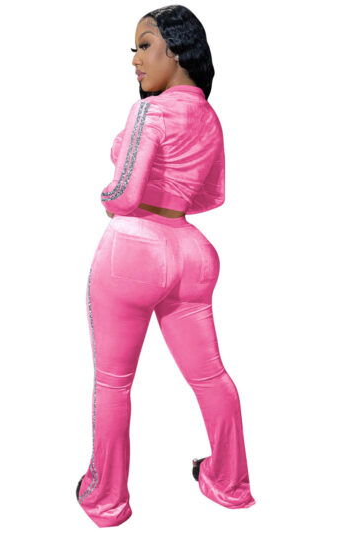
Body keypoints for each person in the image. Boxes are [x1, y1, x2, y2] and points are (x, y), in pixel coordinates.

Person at [76, 5, 256, 527]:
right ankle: (229, 483)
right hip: (191, 253)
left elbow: (123, 194)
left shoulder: (149, 113)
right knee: (211, 376)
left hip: (134, 252)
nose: (134, 60)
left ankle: (106, 499)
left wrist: (107, 197)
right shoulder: (209, 117)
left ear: (176, 51)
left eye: (145, 45)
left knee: (113, 384)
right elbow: (211, 195)